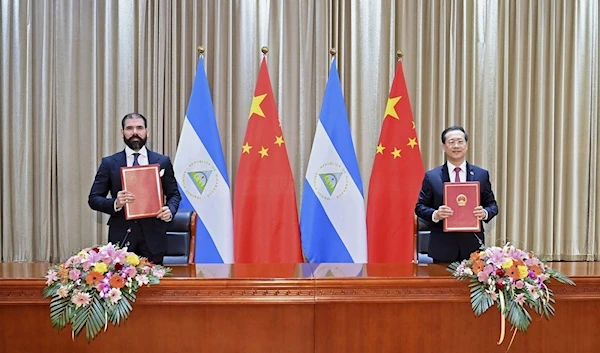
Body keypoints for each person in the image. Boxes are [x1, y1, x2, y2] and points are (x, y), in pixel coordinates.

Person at [88, 113, 181, 265]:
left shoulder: (162, 161)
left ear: (147, 132)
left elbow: (174, 195)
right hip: (121, 239)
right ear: (122, 132)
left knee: (154, 287)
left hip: (154, 239)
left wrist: (170, 210)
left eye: (139, 128)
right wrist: (116, 203)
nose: (135, 132)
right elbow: (93, 199)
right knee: (121, 287)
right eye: (129, 128)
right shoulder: (109, 163)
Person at [415, 126, 498, 263]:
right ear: (444, 146)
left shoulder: (481, 175)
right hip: (443, 247)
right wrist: (436, 214)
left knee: (470, 285)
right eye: (451, 142)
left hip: (472, 246)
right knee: (442, 285)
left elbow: (492, 205)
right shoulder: (432, 176)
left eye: (460, 142)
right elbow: (419, 207)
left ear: (466, 145)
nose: (456, 146)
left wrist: (484, 212)